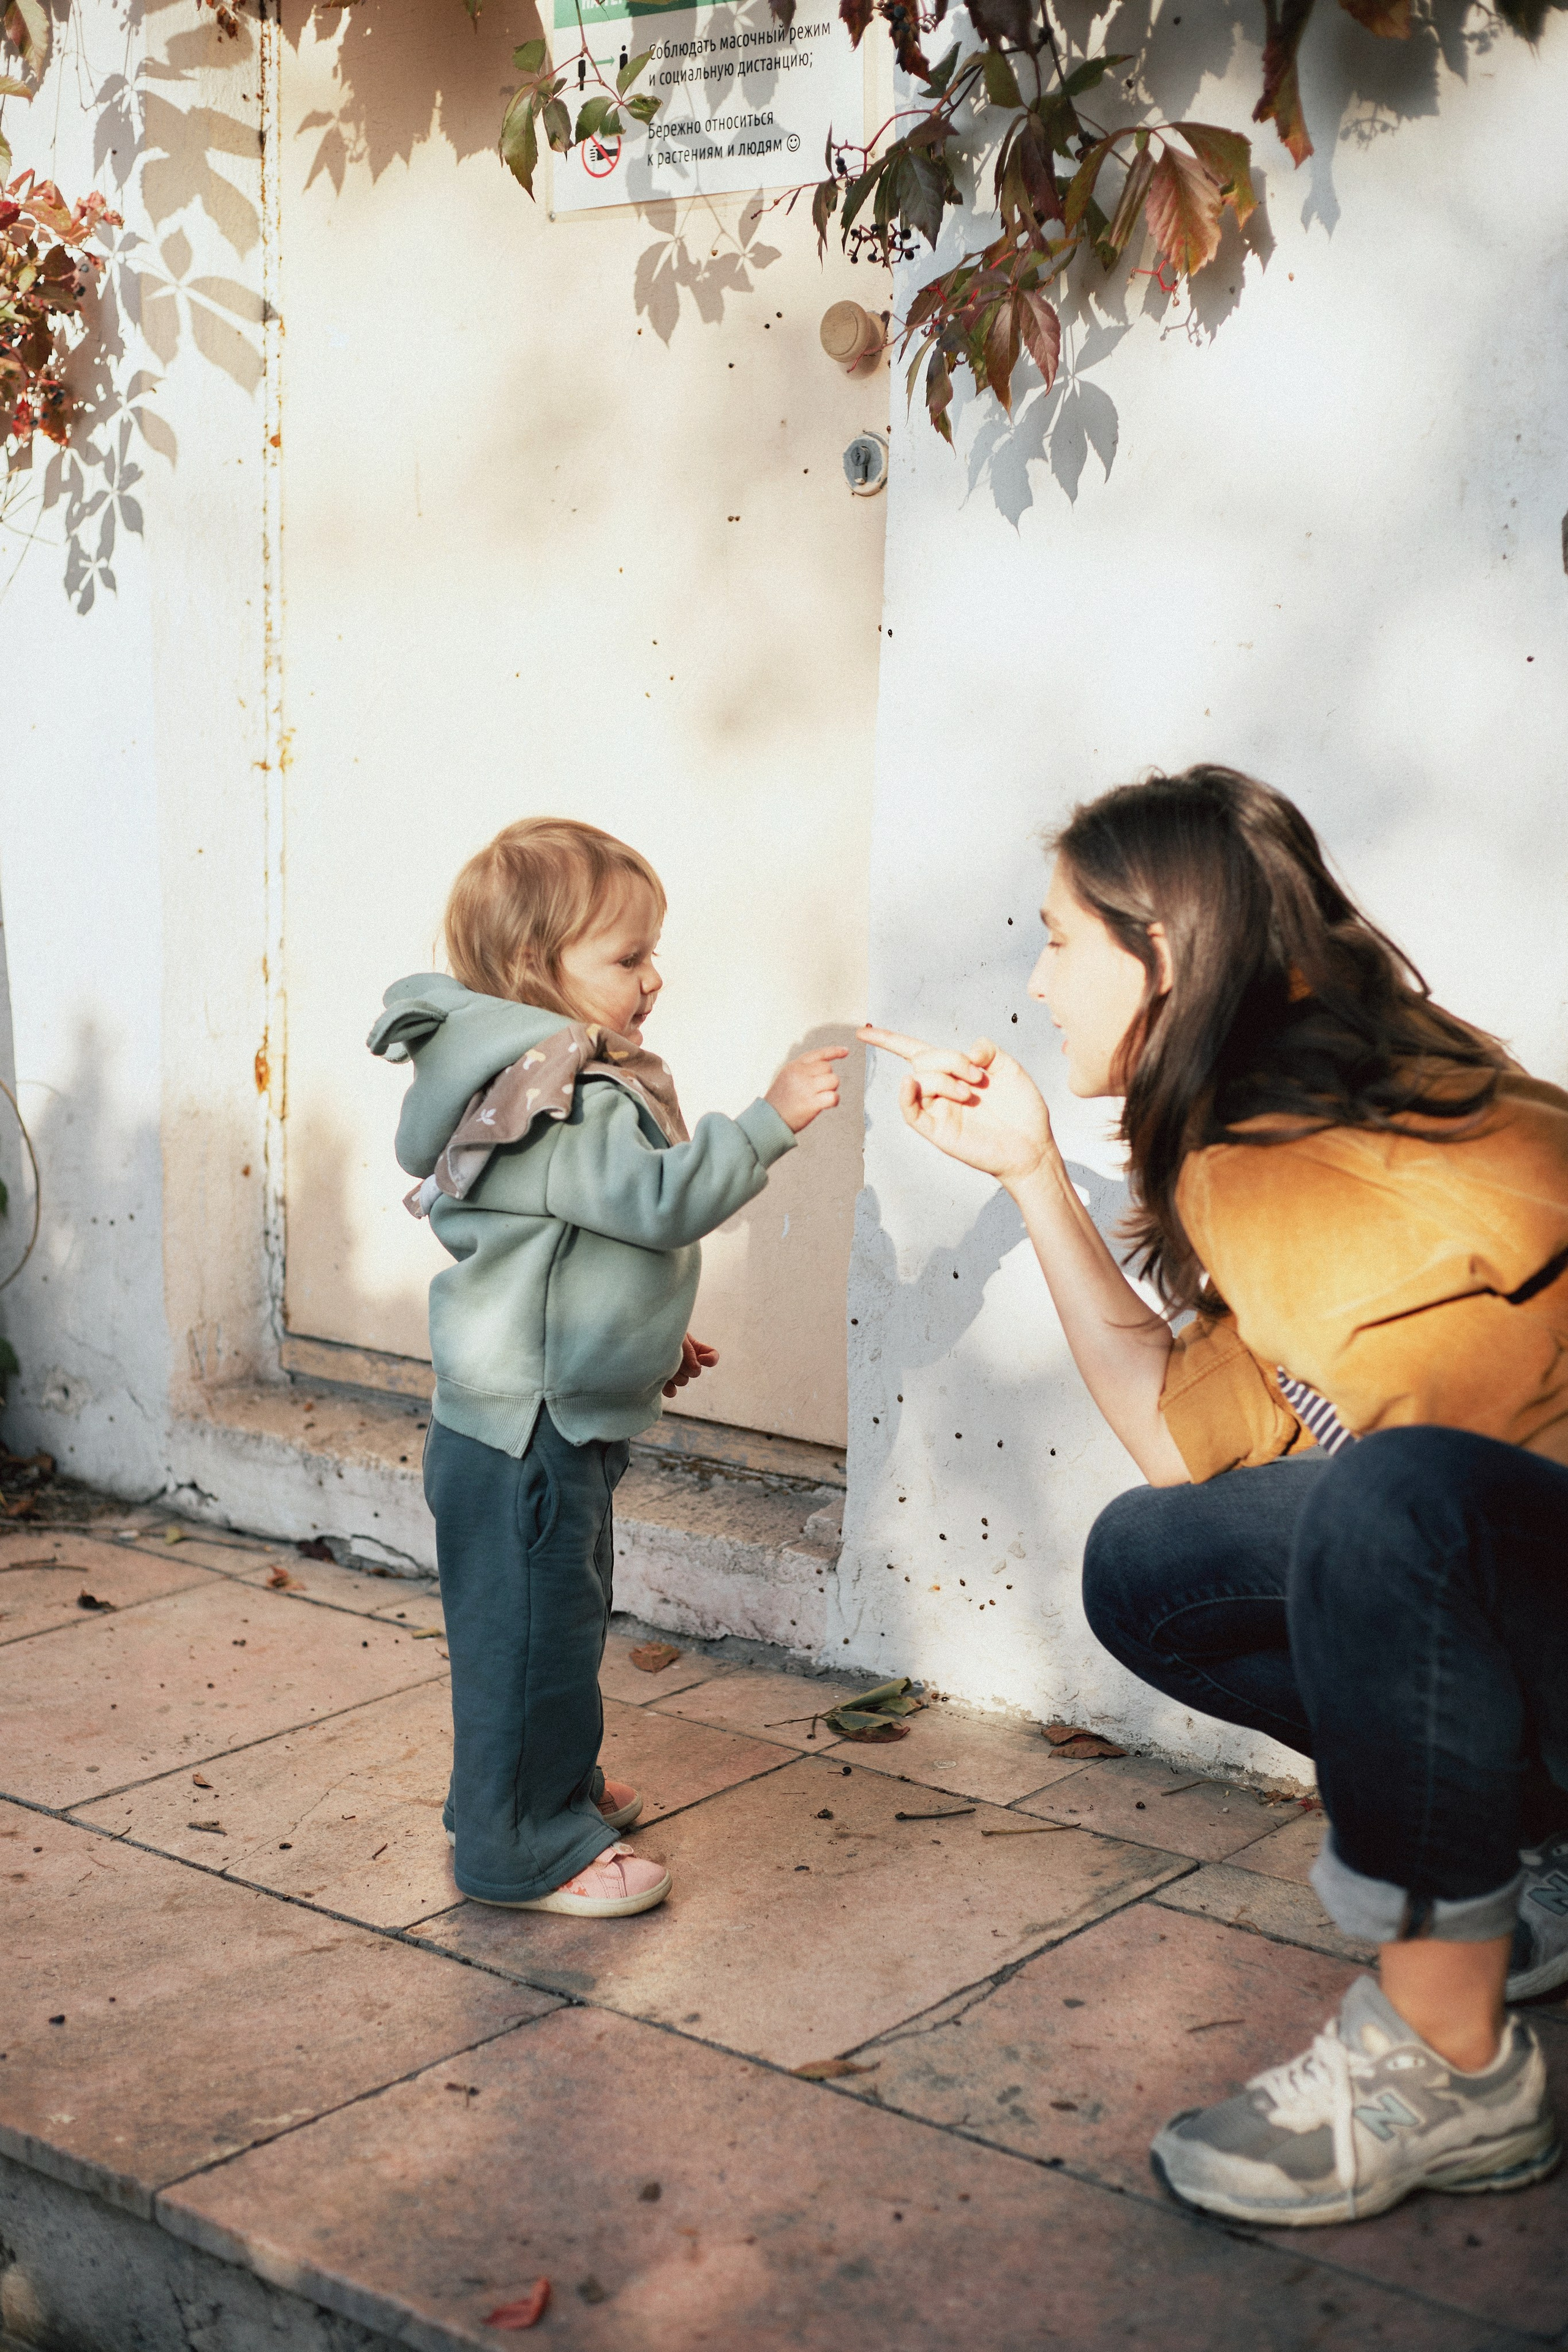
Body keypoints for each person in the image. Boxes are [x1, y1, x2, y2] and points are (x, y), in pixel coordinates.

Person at [861, 764, 1568, 2227]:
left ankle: (1448, 2058)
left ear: (1162, 956)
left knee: (1391, 1508)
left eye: (1059, 940)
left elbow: (1428, 1522)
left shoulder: (1300, 1161)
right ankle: (1522, 1854)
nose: (1039, 982)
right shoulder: (1280, 1128)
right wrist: (1033, 1181)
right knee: (1150, 1563)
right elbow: (1191, 1455)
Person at [369, 817, 844, 1919]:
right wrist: (767, 1123)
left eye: (651, 952)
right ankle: (520, 1847)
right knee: (529, 1635)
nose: (653, 977)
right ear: (542, 969)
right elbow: (657, 1200)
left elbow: (563, 1252)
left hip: (543, 1413)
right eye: (627, 958)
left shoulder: (548, 1080)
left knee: (554, 1622)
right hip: (523, 1433)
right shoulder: (558, 1094)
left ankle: (545, 1792)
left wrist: (642, 1336)